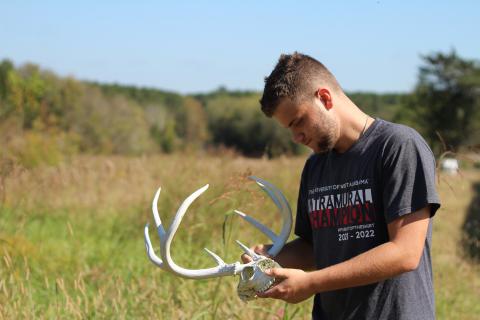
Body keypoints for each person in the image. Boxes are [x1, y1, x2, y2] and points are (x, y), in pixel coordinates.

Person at [242, 52, 441, 320]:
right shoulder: (315, 167)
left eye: (298, 121)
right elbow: (315, 247)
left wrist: (311, 283)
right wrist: (270, 259)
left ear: (324, 98)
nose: (296, 137)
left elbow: (405, 253)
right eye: (288, 129)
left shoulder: (398, 147)